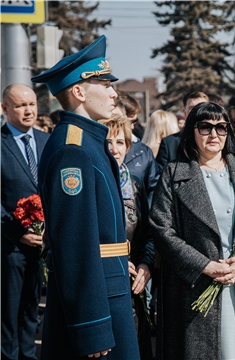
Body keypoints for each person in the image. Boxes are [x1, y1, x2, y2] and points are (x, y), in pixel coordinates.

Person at [31, 35, 140, 359]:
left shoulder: (88, 142)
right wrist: (91, 326)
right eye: (104, 84)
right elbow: (76, 246)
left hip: (109, 293)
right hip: (98, 305)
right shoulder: (73, 151)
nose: (113, 92)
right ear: (78, 92)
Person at [150, 102, 235, 359]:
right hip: (194, 287)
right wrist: (203, 265)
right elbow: (162, 230)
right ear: (191, 131)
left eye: (221, 127)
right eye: (205, 127)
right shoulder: (174, 174)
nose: (214, 134)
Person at [99, 115, 155, 360]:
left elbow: (147, 232)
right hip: (104, 282)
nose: (114, 148)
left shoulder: (134, 184)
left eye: (120, 142)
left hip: (134, 283)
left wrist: (146, 264)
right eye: (108, 141)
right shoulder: (94, 182)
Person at [1, 84, 49, 360]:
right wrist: (16, 231)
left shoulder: (46, 141)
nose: (29, 110)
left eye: (32, 103)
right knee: (9, 315)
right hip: (10, 248)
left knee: (32, 312)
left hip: (44, 246)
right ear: (4, 109)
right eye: (20, 105)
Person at [155, 91, 208, 171]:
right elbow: (160, 177)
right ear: (184, 112)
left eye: (201, 107)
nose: (197, 111)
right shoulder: (169, 144)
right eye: (192, 108)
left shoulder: (217, 141)